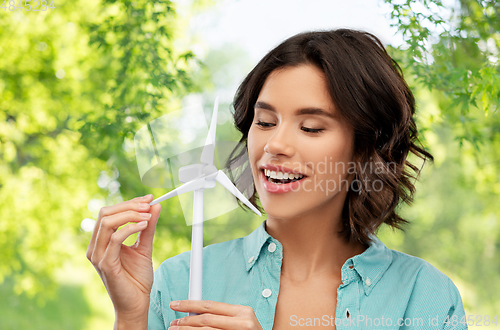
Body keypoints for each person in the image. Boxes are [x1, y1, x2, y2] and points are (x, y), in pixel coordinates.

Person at [87, 29, 467, 330]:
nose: (275, 144)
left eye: (311, 127)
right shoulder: (176, 282)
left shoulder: (424, 298)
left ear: (365, 147)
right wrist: (133, 317)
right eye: (264, 122)